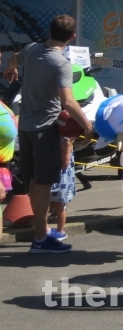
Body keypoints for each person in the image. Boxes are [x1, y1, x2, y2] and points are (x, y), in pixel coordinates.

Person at [3, 14, 91, 254]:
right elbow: (68, 101)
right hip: (45, 129)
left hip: (27, 127)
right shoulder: (60, 63)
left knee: (34, 182)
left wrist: (11, 70)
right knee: (43, 185)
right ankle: (40, 238)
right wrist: (87, 125)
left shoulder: (31, 50)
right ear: (72, 36)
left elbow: (12, 57)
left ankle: (41, 231)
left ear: (50, 31)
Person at [47, 134, 75, 242]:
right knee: (50, 203)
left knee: (59, 205)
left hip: (60, 178)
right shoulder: (56, 139)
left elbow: (65, 163)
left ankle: (61, 230)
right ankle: (50, 229)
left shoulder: (65, 142)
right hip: (54, 176)